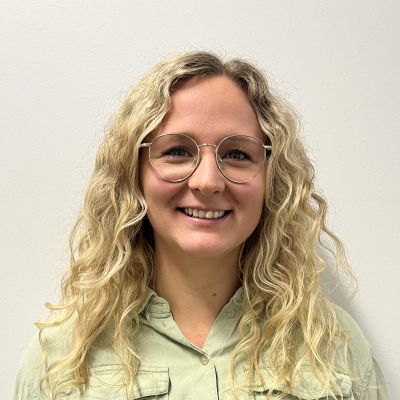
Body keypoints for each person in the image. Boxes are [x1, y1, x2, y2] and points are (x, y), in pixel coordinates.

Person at [13, 51, 388, 400]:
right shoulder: (61, 357)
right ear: (133, 174)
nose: (208, 181)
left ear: (272, 180)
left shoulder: (333, 346)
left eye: (237, 154)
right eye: (177, 151)